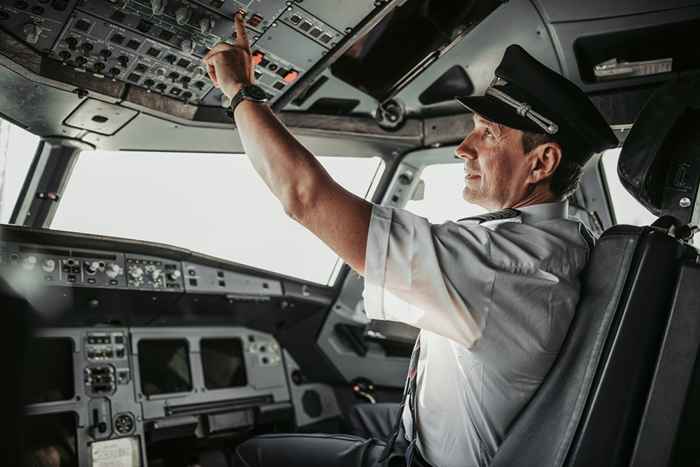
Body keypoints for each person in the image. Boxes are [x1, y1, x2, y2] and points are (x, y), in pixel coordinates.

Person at [203, 13, 618, 467]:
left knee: (252, 454)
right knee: (351, 418)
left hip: (423, 460)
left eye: (488, 134)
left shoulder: (501, 267)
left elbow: (304, 196)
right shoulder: (566, 239)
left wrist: (239, 91)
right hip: (420, 434)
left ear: (541, 164)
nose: (464, 148)